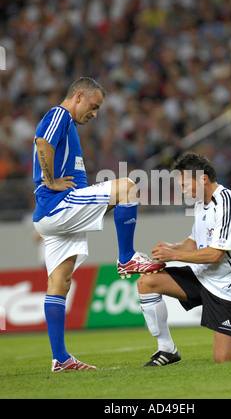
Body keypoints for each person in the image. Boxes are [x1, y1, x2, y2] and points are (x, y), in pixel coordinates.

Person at [32, 77, 165, 372]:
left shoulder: (70, 126)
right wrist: (50, 179)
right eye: (93, 106)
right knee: (128, 186)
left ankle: (61, 358)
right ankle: (127, 258)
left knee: (59, 283)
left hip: (52, 217)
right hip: (59, 205)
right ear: (78, 96)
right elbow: (42, 141)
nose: (94, 113)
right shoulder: (59, 115)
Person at [138, 152, 231, 366]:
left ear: (203, 179)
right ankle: (167, 349)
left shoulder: (228, 202)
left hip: (227, 286)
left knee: (226, 358)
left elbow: (215, 254)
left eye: (184, 184)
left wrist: (173, 255)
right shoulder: (200, 203)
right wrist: (171, 246)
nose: (182, 190)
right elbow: (196, 241)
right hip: (202, 276)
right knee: (147, 282)